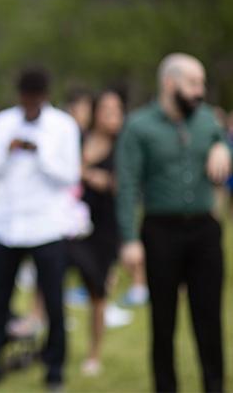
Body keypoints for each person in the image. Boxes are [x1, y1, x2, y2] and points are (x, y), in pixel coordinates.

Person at [116, 53, 230, 393]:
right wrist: (130, 239)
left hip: (205, 229)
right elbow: (127, 184)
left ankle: (215, 386)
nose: (201, 90)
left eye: (202, 83)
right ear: (170, 83)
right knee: (163, 320)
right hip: (160, 230)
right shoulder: (138, 126)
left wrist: (224, 147)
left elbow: (221, 142)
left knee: (209, 317)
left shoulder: (208, 120)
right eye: (194, 83)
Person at [0, 68, 81, 389]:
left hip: (47, 226)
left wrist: (40, 152)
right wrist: (9, 150)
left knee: (52, 300)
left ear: (45, 97)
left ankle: (55, 369)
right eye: (25, 99)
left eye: (35, 100)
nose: (30, 105)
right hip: (8, 225)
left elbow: (70, 176)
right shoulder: (2, 123)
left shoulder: (63, 126)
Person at [67, 89, 125, 376]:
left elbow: (124, 185)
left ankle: (94, 353)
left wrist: (89, 173)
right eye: (105, 109)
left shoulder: (124, 146)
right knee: (50, 282)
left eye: (116, 110)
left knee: (98, 292)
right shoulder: (76, 139)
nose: (111, 116)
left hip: (104, 228)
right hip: (71, 225)